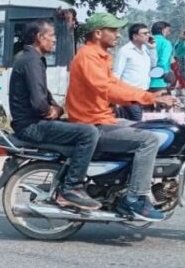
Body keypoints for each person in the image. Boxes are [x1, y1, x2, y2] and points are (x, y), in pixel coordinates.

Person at [65, 13, 176, 221]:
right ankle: (135, 199)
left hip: (104, 118)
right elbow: (107, 90)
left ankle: (126, 185)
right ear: (98, 33)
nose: (118, 35)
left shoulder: (101, 56)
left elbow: (116, 84)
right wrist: (146, 98)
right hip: (93, 123)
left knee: (148, 128)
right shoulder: (88, 56)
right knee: (149, 140)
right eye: (113, 30)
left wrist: (150, 96)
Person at [9, 20, 101, 210]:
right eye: (51, 36)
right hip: (31, 126)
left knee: (84, 125)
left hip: (32, 123)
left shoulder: (32, 58)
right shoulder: (31, 60)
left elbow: (44, 93)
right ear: (39, 37)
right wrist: (49, 111)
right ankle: (71, 188)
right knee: (88, 133)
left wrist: (57, 108)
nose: (55, 40)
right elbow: (38, 101)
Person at [113, 23, 157, 121]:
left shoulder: (146, 50)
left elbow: (154, 65)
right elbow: (116, 73)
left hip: (144, 92)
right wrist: (116, 97)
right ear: (135, 36)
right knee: (137, 122)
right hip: (130, 95)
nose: (148, 35)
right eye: (144, 33)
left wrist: (152, 48)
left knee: (146, 122)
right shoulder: (125, 51)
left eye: (148, 33)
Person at [150, 21, 173, 92]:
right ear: (163, 31)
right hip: (159, 82)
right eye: (168, 30)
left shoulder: (146, 41)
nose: (169, 33)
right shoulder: (166, 43)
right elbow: (163, 62)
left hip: (144, 82)